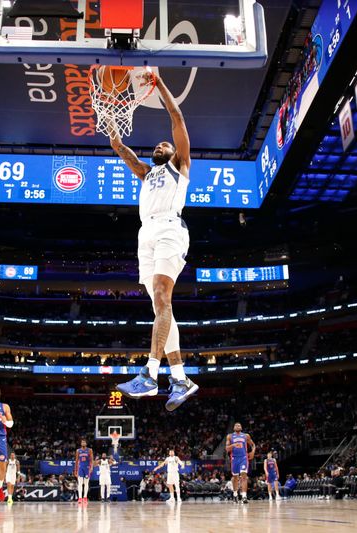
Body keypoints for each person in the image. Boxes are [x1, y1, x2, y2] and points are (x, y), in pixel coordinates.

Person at [110, 71, 198, 411]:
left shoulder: (180, 164)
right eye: (157, 145)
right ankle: (180, 378)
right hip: (145, 235)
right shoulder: (147, 173)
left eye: (166, 143)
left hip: (170, 230)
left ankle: (149, 375)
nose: (161, 145)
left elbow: (177, 117)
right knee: (163, 311)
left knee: (163, 298)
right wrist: (111, 128)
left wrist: (159, 83)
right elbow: (123, 151)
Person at [225, 423, 255, 504]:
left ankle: (244, 496)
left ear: (241, 427)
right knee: (235, 477)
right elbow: (227, 449)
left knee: (244, 476)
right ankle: (235, 494)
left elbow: (253, 445)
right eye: (236, 425)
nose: (238, 426)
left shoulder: (246, 436)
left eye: (239, 425)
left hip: (243, 458)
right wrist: (234, 445)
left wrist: (253, 452)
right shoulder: (230, 436)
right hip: (234, 458)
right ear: (233, 428)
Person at [74, 439, 94, 504]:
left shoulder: (89, 450)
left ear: (86, 443)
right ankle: (80, 498)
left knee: (86, 483)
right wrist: (75, 470)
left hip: (87, 468)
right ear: (80, 443)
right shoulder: (78, 450)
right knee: (80, 483)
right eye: (82, 442)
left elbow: (91, 460)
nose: (83, 443)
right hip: (80, 467)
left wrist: (91, 468)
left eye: (84, 442)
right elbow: (76, 461)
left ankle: (85, 497)